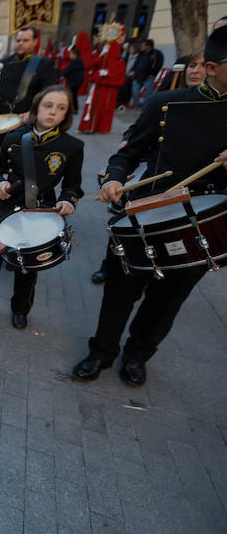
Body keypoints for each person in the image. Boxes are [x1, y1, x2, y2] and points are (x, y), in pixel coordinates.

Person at [73, 25, 227, 387]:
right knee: (119, 291)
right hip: (147, 215)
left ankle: (138, 354)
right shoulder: (164, 103)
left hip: (203, 224)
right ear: (211, 67)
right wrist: (113, 178)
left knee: (167, 300)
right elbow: (128, 154)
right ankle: (102, 353)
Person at [0, 85, 84, 329]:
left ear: (67, 114)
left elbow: (73, 185)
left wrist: (69, 200)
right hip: (8, 205)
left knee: (28, 266)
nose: (53, 112)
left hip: (41, 208)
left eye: (61, 108)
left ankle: (20, 308)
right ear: (36, 108)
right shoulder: (16, 137)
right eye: (48, 106)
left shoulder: (72, 147)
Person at [0, 27, 58, 208]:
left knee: (20, 161)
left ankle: (22, 196)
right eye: (18, 40)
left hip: (24, 120)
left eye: (25, 40)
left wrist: (33, 114)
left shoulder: (43, 64)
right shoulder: (4, 63)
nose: (20, 44)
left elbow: (50, 94)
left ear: (34, 42)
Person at [77, 42, 126, 134]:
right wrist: (101, 54)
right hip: (98, 88)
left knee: (105, 109)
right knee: (91, 107)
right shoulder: (103, 60)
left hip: (109, 91)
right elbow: (92, 64)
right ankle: (86, 126)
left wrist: (107, 75)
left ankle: (100, 128)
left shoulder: (120, 63)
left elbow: (120, 80)